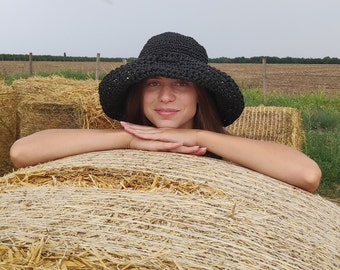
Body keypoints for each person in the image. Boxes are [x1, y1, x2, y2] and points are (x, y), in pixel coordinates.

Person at [10, 32, 321, 192]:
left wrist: (198, 136)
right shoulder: (122, 140)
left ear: (201, 94)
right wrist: (128, 141)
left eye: (181, 83)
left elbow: (307, 174)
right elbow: (23, 152)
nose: (166, 96)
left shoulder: (221, 149)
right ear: (139, 92)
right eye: (154, 82)